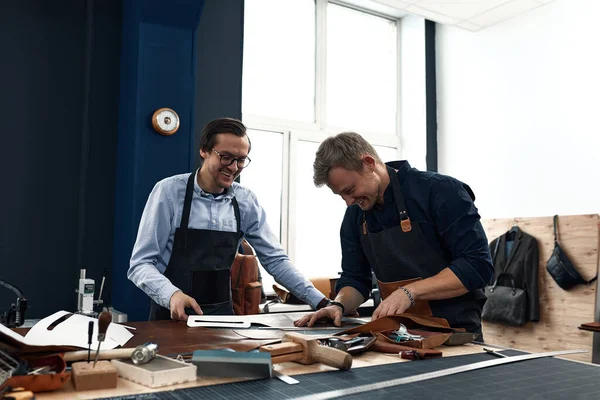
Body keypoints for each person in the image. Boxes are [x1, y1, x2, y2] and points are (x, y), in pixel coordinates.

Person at [295, 132, 493, 339]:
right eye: (341, 195)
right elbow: (355, 279)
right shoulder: (355, 215)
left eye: (350, 190)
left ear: (369, 163)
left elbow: (477, 265)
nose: (348, 201)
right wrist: (339, 305)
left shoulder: (442, 192)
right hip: (396, 335)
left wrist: (410, 292)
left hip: (454, 334)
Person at [129, 118, 330, 320]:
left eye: (241, 159)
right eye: (226, 157)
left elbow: (276, 261)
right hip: (171, 318)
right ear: (204, 151)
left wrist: (322, 303)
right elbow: (141, 264)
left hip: (223, 320)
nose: (234, 167)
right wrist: (171, 295)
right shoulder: (169, 192)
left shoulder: (246, 201)